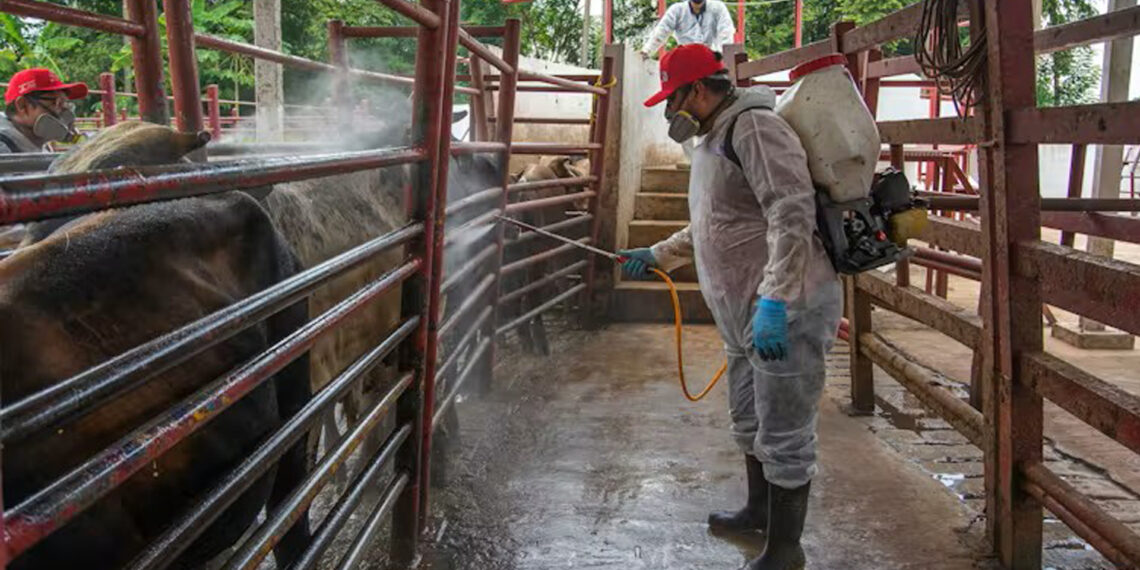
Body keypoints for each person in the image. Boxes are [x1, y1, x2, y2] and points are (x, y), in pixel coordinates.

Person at [619, 44, 841, 570]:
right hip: (742, 308)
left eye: (675, 98)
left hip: (785, 306)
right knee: (749, 417)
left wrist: (776, 299)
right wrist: (660, 254)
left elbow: (791, 213)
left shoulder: (755, 129)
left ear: (698, 89)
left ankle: (786, 550)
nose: (671, 111)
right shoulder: (715, 139)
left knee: (785, 428)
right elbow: (714, 222)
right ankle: (758, 511)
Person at [1, 68, 87, 153]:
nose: (63, 112)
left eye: (65, 103)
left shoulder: (35, 147)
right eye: (56, 103)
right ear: (22, 105)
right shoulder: (4, 149)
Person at [640, 0, 736, 57]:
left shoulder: (717, 7)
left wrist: (724, 57)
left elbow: (726, 33)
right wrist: (646, 51)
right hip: (686, 59)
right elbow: (662, 31)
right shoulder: (677, 10)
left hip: (711, 58)